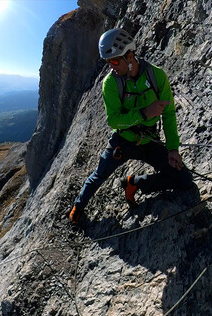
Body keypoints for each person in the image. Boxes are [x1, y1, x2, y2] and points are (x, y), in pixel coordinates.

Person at [70, 28, 193, 224]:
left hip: (150, 141)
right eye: (108, 62)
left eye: (115, 61)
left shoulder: (157, 76)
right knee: (100, 174)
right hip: (124, 140)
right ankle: (78, 206)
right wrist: (145, 113)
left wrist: (172, 149)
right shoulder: (110, 83)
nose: (112, 67)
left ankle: (134, 183)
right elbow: (114, 120)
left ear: (129, 55)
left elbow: (169, 114)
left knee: (184, 180)